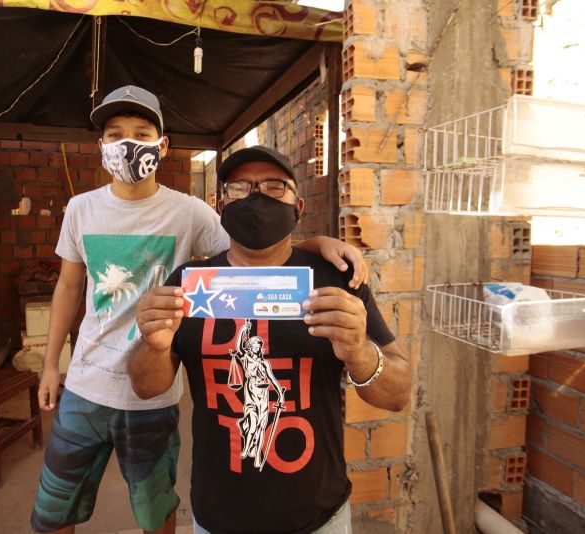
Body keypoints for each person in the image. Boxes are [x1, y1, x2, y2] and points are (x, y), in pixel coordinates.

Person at [30, 86, 370, 534]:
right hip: (85, 382)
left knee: (155, 510)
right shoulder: (81, 209)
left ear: (162, 145)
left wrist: (314, 245)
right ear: (101, 146)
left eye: (141, 132)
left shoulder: (189, 212)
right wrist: (53, 363)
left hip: (153, 389)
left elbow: (251, 244)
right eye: (115, 134)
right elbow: (69, 286)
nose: (127, 143)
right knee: (54, 508)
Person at [129, 145, 411, 534]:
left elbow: (398, 394)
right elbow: (146, 387)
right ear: (219, 203)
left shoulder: (336, 280)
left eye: (274, 187)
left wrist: (361, 354)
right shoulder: (188, 286)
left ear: (298, 206)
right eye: (240, 188)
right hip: (217, 517)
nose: (256, 197)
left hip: (319, 517)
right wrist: (154, 346)